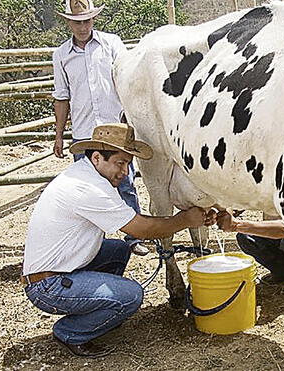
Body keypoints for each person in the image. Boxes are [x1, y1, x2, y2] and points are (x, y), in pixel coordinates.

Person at [22, 123, 216, 358]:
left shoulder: (86, 175)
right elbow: (141, 229)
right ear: (96, 158)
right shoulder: (88, 188)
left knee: (118, 250)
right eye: (120, 163)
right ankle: (71, 331)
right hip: (47, 287)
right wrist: (185, 219)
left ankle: (101, 307)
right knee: (132, 296)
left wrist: (183, 218)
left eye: (127, 164)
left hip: (56, 270)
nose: (125, 172)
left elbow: (134, 220)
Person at [51, 0, 149, 256]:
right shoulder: (61, 54)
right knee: (87, 188)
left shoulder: (112, 44)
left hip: (115, 126)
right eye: (77, 21)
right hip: (84, 130)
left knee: (124, 180)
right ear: (68, 22)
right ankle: (93, 242)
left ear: (93, 19)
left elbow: (128, 83)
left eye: (86, 20)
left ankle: (133, 235)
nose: (82, 26)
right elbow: (62, 96)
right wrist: (59, 135)